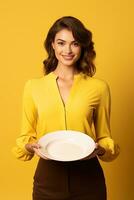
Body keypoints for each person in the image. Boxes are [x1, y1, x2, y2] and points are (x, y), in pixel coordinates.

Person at [12, 16, 120, 200]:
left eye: (75, 43)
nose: (67, 50)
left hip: (88, 178)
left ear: (82, 47)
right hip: (48, 179)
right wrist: (30, 146)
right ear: (52, 45)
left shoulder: (99, 88)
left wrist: (100, 149)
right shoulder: (33, 87)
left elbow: (105, 138)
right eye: (61, 43)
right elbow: (25, 138)